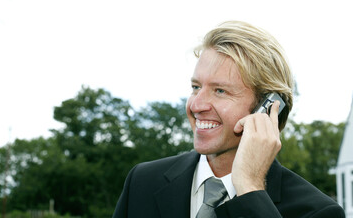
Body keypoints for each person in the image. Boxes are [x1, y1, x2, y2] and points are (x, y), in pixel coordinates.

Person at [113, 21, 345, 218]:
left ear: (266, 107)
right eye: (196, 87)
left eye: (220, 91)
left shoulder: (318, 211)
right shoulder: (141, 182)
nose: (196, 105)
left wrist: (251, 189)